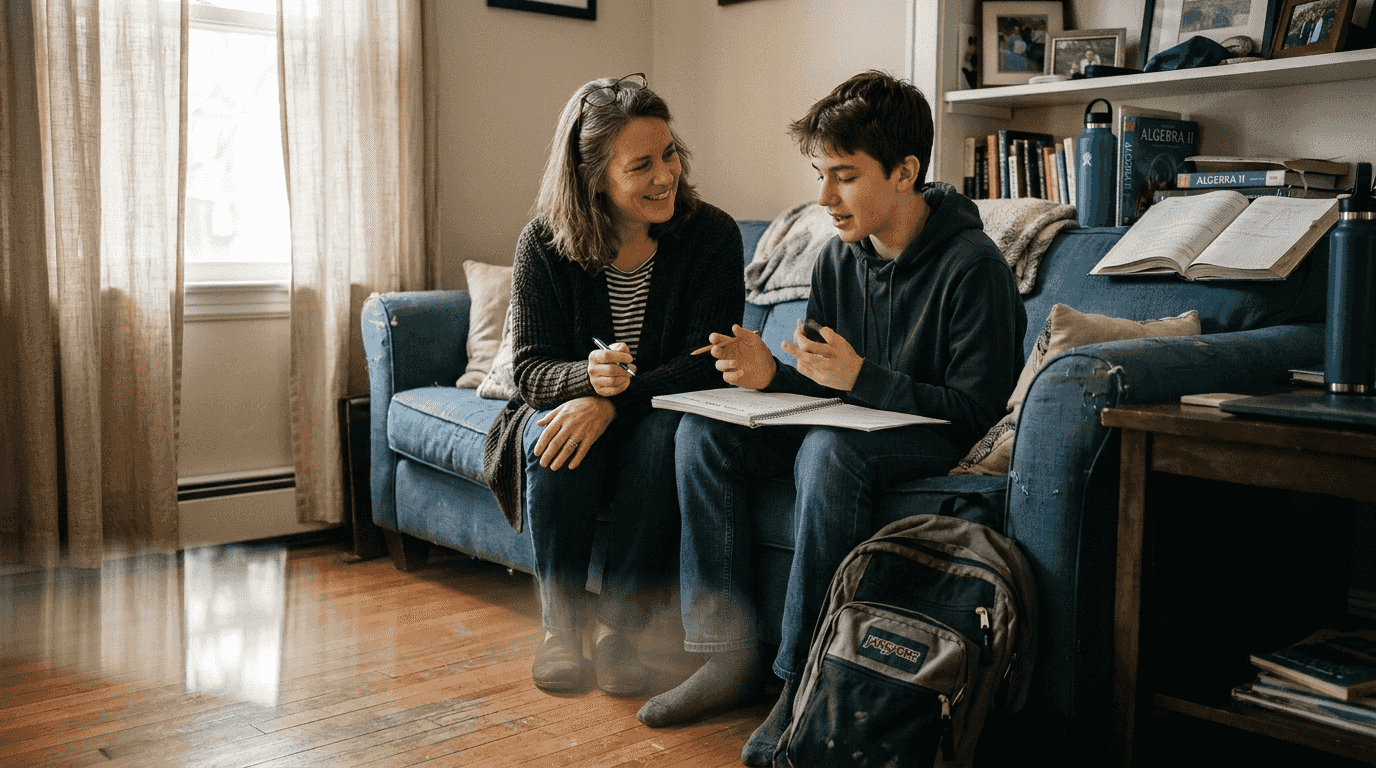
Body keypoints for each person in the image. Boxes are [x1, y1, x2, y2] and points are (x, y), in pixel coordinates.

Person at [633, 71, 1026, 768]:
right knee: (703, 433)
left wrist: (863, 380)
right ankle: (727, 658)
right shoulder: (839, 258)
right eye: (820, 175)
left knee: (826, 453)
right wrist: (770, 376)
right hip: (846, 422)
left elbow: (974, 414)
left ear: (905, 172)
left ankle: (800, 682)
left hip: (925, 438)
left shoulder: (975, 269)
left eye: (844, 177)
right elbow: (824, 379)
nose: (824, 199)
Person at [483, 73, 744, 698]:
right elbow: (531, 368)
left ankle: (620, 633)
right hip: (568, 408)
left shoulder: (712, 236)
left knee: (658, 438)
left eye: (671, 154)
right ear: (595, 176)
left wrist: (611, 400)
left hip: (659, 410)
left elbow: (707, 360)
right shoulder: (543, 245)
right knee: (558, 432)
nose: (667, 175)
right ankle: (561, 631)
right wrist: (584, 386)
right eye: (642, 165)